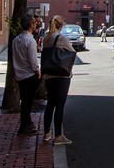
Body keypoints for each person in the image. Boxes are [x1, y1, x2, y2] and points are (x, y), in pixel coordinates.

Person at [42, 16, 75, 145]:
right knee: (59, 105)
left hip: (49, 74)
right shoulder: (61, 38)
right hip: (61, 75)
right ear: (61, 25)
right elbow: (72, 52)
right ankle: (58, 135)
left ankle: (46, 133)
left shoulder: (46, 38)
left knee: (50, 104)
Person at [13, 13, 41, 135]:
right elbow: (33, 60)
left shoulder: (16, 40)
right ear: (30, 25)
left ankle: (27, 123)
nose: (36, 25)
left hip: (19, 75)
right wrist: (37, 71)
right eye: (34, 23)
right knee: (27, 103)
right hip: (29, 75)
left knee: (25, 101)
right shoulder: (30, 40)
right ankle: (25, 125)